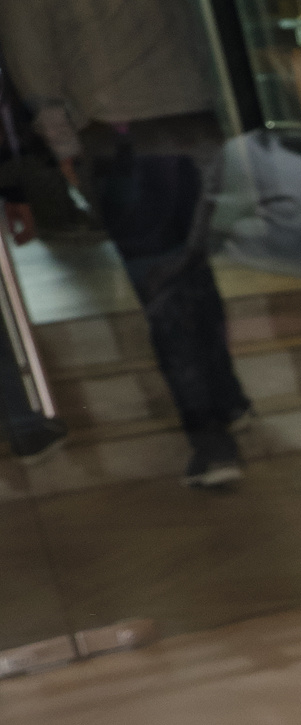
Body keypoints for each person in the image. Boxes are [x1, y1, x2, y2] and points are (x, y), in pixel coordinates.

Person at [0, 0, 253, 487]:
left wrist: (66, 153)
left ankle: (212, 440)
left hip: (123, 136)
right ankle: (227, 398)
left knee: (163, 289)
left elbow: (35, 72)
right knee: (192, 268)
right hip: (193, 120)